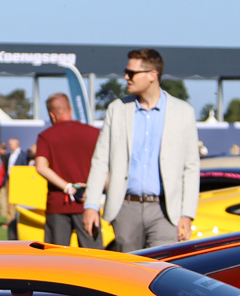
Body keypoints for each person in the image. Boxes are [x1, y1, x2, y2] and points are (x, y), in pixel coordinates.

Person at [83, 48, 201, 251]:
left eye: (132, 73)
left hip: (166, 211)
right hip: (125, 207)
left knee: (162, 273)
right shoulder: (117, 109)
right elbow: (100, 160)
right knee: (128, 276)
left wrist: (187, 214)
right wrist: (91, 205)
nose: (126, 77)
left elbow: (191, 166)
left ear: (152, 76)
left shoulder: (183, 112)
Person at [35, 90, 100, 247]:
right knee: (95, 258)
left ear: (52, 115)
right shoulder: (94, 133)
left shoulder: (46, 136)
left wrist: (67, 187)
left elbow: (41, 167)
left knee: (56, 259)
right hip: (88, 202)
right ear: (70, 109)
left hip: (58, 204)